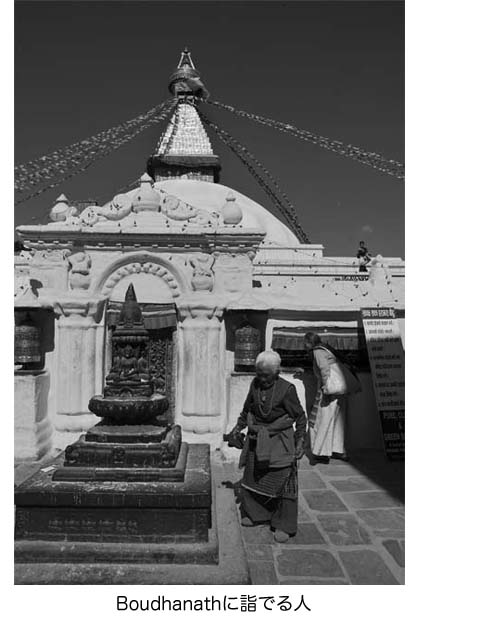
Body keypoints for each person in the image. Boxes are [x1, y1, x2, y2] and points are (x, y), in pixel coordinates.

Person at [225, 350, 307, 543]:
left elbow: (300, 417)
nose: (262, 379)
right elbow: (247, 409)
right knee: (254, 478)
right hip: (257, 440)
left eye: (266, 376)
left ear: (277, 372)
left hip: (280, 441)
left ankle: (282, 524)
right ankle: (257, 515)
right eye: (259, 374)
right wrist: (238, 428)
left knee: (283, 481)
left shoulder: (287, 390)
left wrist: (300, 441)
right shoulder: (255, 385)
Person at [304, 332, 355, 462]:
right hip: (339, 390)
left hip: (329, 390)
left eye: (305, 342)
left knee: (321, 420)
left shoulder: (317, 351)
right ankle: (338, 450)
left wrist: (326, 387)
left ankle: (320, 452)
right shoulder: (326, 349)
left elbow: (324, 368)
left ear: (309, 342)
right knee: (338, 421)